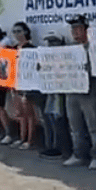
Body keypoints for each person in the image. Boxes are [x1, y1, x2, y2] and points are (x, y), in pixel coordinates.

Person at [63, 14, 96, 170]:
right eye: (73, 29)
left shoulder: (93, 48)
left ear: (86, 30)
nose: (75, 32)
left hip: (88, 91)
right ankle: (79, 154)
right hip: (71, 91)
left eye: (78, 28)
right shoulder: (69, 48)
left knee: (93, 125)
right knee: (74, 125)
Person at [7, 22, 40, 150]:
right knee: (20, 114)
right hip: (15, 84)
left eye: (19, 31)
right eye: (14, 31)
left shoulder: (31, 48)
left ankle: (29, 140)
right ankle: (22, 138)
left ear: (25, 32)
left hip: (28, 85)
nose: (16, 34)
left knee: (29, 114)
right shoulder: (13, 49)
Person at [39, 30, 71, 159]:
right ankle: (51, 146)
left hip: (60, 92)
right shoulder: (46, 57)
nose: (51, 44)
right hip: (50, 91)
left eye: (54, 41)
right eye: (49, 42)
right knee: (49, 117)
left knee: (59, 119)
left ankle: (60, 148)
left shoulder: (67, 55)